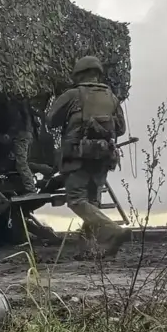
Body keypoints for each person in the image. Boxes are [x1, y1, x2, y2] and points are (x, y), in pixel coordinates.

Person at [46, 55, 131, 257]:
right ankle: (86, 249)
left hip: (77, 156)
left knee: (77, 200)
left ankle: (112, 229)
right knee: (92, 202)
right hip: (103, 156)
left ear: (79, 74)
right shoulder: (111, 97)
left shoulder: (72, 95)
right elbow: (120, 129)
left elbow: (51, 121)